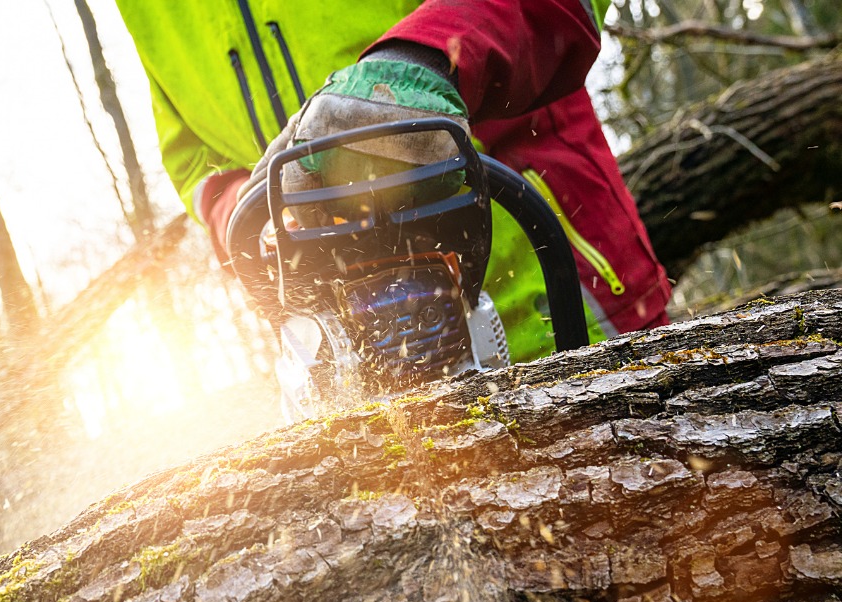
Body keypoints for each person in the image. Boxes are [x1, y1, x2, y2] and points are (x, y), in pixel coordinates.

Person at [114, 0, 672, 365]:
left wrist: (421, 63)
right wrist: (244, 208)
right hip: (351, 364)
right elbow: (191, 155)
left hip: (557, 298)